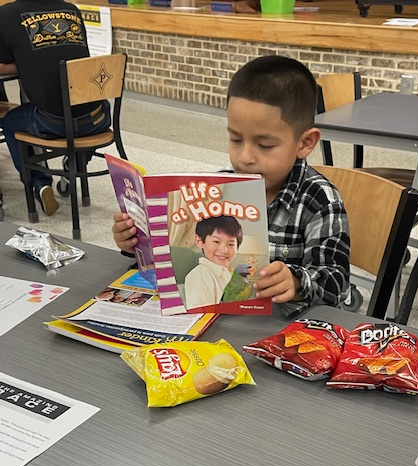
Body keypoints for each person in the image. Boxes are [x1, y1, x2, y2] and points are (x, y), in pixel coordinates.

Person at [112, 55, 350, 317]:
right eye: (236, 139)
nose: (245, 157)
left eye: (265, 145)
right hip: (219, 324)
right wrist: (136, 243)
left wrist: (296, 282)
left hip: (285, 330)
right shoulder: (218, 188)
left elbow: (337, 284)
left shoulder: (319, 199)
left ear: (305, 143)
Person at [0, 0, 111, 216]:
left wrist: (26, 61)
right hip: (99, 118)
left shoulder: (7, 14)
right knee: (80, 112)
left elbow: (3, 64)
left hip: (54, 122)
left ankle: (39, 183)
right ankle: (75, 163)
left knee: (11, 121)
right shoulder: (72, 10)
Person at [184, 215, 243, 310]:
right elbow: (202, 315)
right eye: (216, 241)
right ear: (199, 241)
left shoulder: (227, 273)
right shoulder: (201, 276)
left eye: (231, 244)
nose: (224, 250)